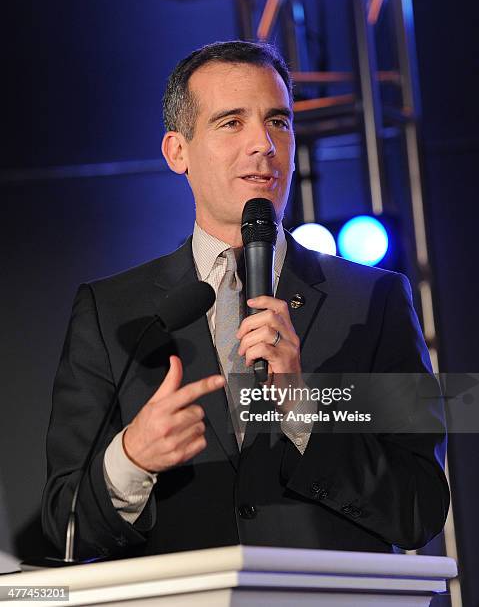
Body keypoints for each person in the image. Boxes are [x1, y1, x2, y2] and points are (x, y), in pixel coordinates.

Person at [42, 41, 449, 560]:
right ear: (177, 152)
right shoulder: (112, 313)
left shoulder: (374, 302)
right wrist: (131, 458)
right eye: (232, 122)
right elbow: (64, 525)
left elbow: (420, 508)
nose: (263, 142)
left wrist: (307, 412)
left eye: (278, 121)